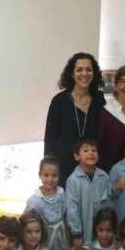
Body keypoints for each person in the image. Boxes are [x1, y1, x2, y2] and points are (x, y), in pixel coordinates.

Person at [44, 52, 105, 187]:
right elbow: (50, 138)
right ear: (72, 74)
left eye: (88, 69)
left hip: (90, 165)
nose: (84, 74)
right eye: (79, 70)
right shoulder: (59, 101)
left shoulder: (99, 99)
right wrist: (48, 171)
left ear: (94, 73)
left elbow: (119, 104)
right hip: (64, 167)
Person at [66, 139, 109, 250]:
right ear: (77, 156)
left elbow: (108, 204)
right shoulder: (73, 180)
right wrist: (77, 234)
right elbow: (72, 209)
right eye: (86, 150)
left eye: (94, 150)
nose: (91, 153)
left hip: (100, 235)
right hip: (81, 236)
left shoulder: (104, 176)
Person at [24, 157, 69, 250]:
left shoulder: (61, 194)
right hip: (43, 238)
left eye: (54, 175)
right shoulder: (34, 200)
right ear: (40, 175)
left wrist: (69, 240)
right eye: (46, 175)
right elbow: (25, 220)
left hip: (60, 237)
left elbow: (66, 217)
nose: (50, 179)